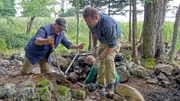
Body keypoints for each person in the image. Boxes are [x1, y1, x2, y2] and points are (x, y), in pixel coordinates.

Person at [18, 18, 84, 76]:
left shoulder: (60, 34)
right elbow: (37, 41)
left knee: (47, 73)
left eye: (62, 29)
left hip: (45, 55)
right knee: (25, 72)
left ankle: (44, 86)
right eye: (60, 28)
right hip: (33, 53)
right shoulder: (44, 29)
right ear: (55, 25)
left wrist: (77, 46)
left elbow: (67, 44)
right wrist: (46, 41)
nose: (61, 31)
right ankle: (18, 80)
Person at [82, 7, 122, 95]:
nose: (88, 24)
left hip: (114, 39)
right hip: (103, 40)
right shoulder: (90, 21)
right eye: (87, 22)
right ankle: (101, 85)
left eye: (89, 22)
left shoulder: (108, 25)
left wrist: (100, 57)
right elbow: (93, 33)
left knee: (108, 58)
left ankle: (111, 85)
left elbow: (112, 45)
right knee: (100, 62)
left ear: (96, 17)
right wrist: (94, 46)